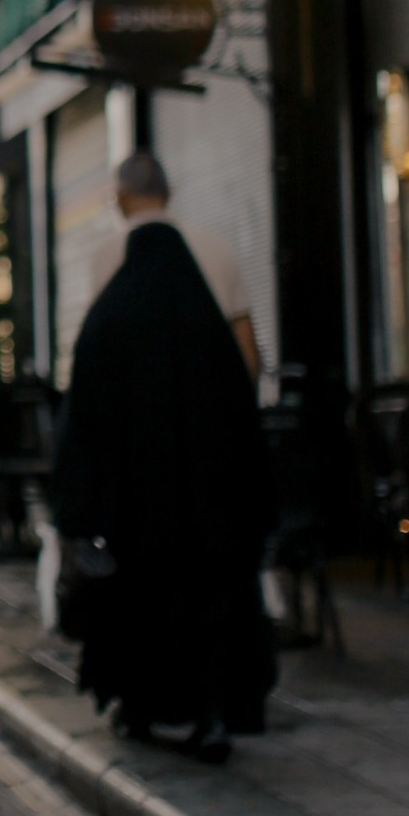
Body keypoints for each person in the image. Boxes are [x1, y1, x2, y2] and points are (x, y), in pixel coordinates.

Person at [49, 196, 278, 762]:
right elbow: (244, 401)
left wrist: (80, 510)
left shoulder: (110, 318)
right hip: (209, 516)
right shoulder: (206, 326)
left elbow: (81, 422)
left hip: (136, 520)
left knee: (142, 612)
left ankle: (141, 707)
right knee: (210, 608)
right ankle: (213, 715)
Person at [84, 148, 260, 377]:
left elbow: (101, 343)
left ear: (121, 197)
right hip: (210, 395)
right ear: (168, 193)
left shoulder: (109, 255)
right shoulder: (218, 247)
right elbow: (245, 342)